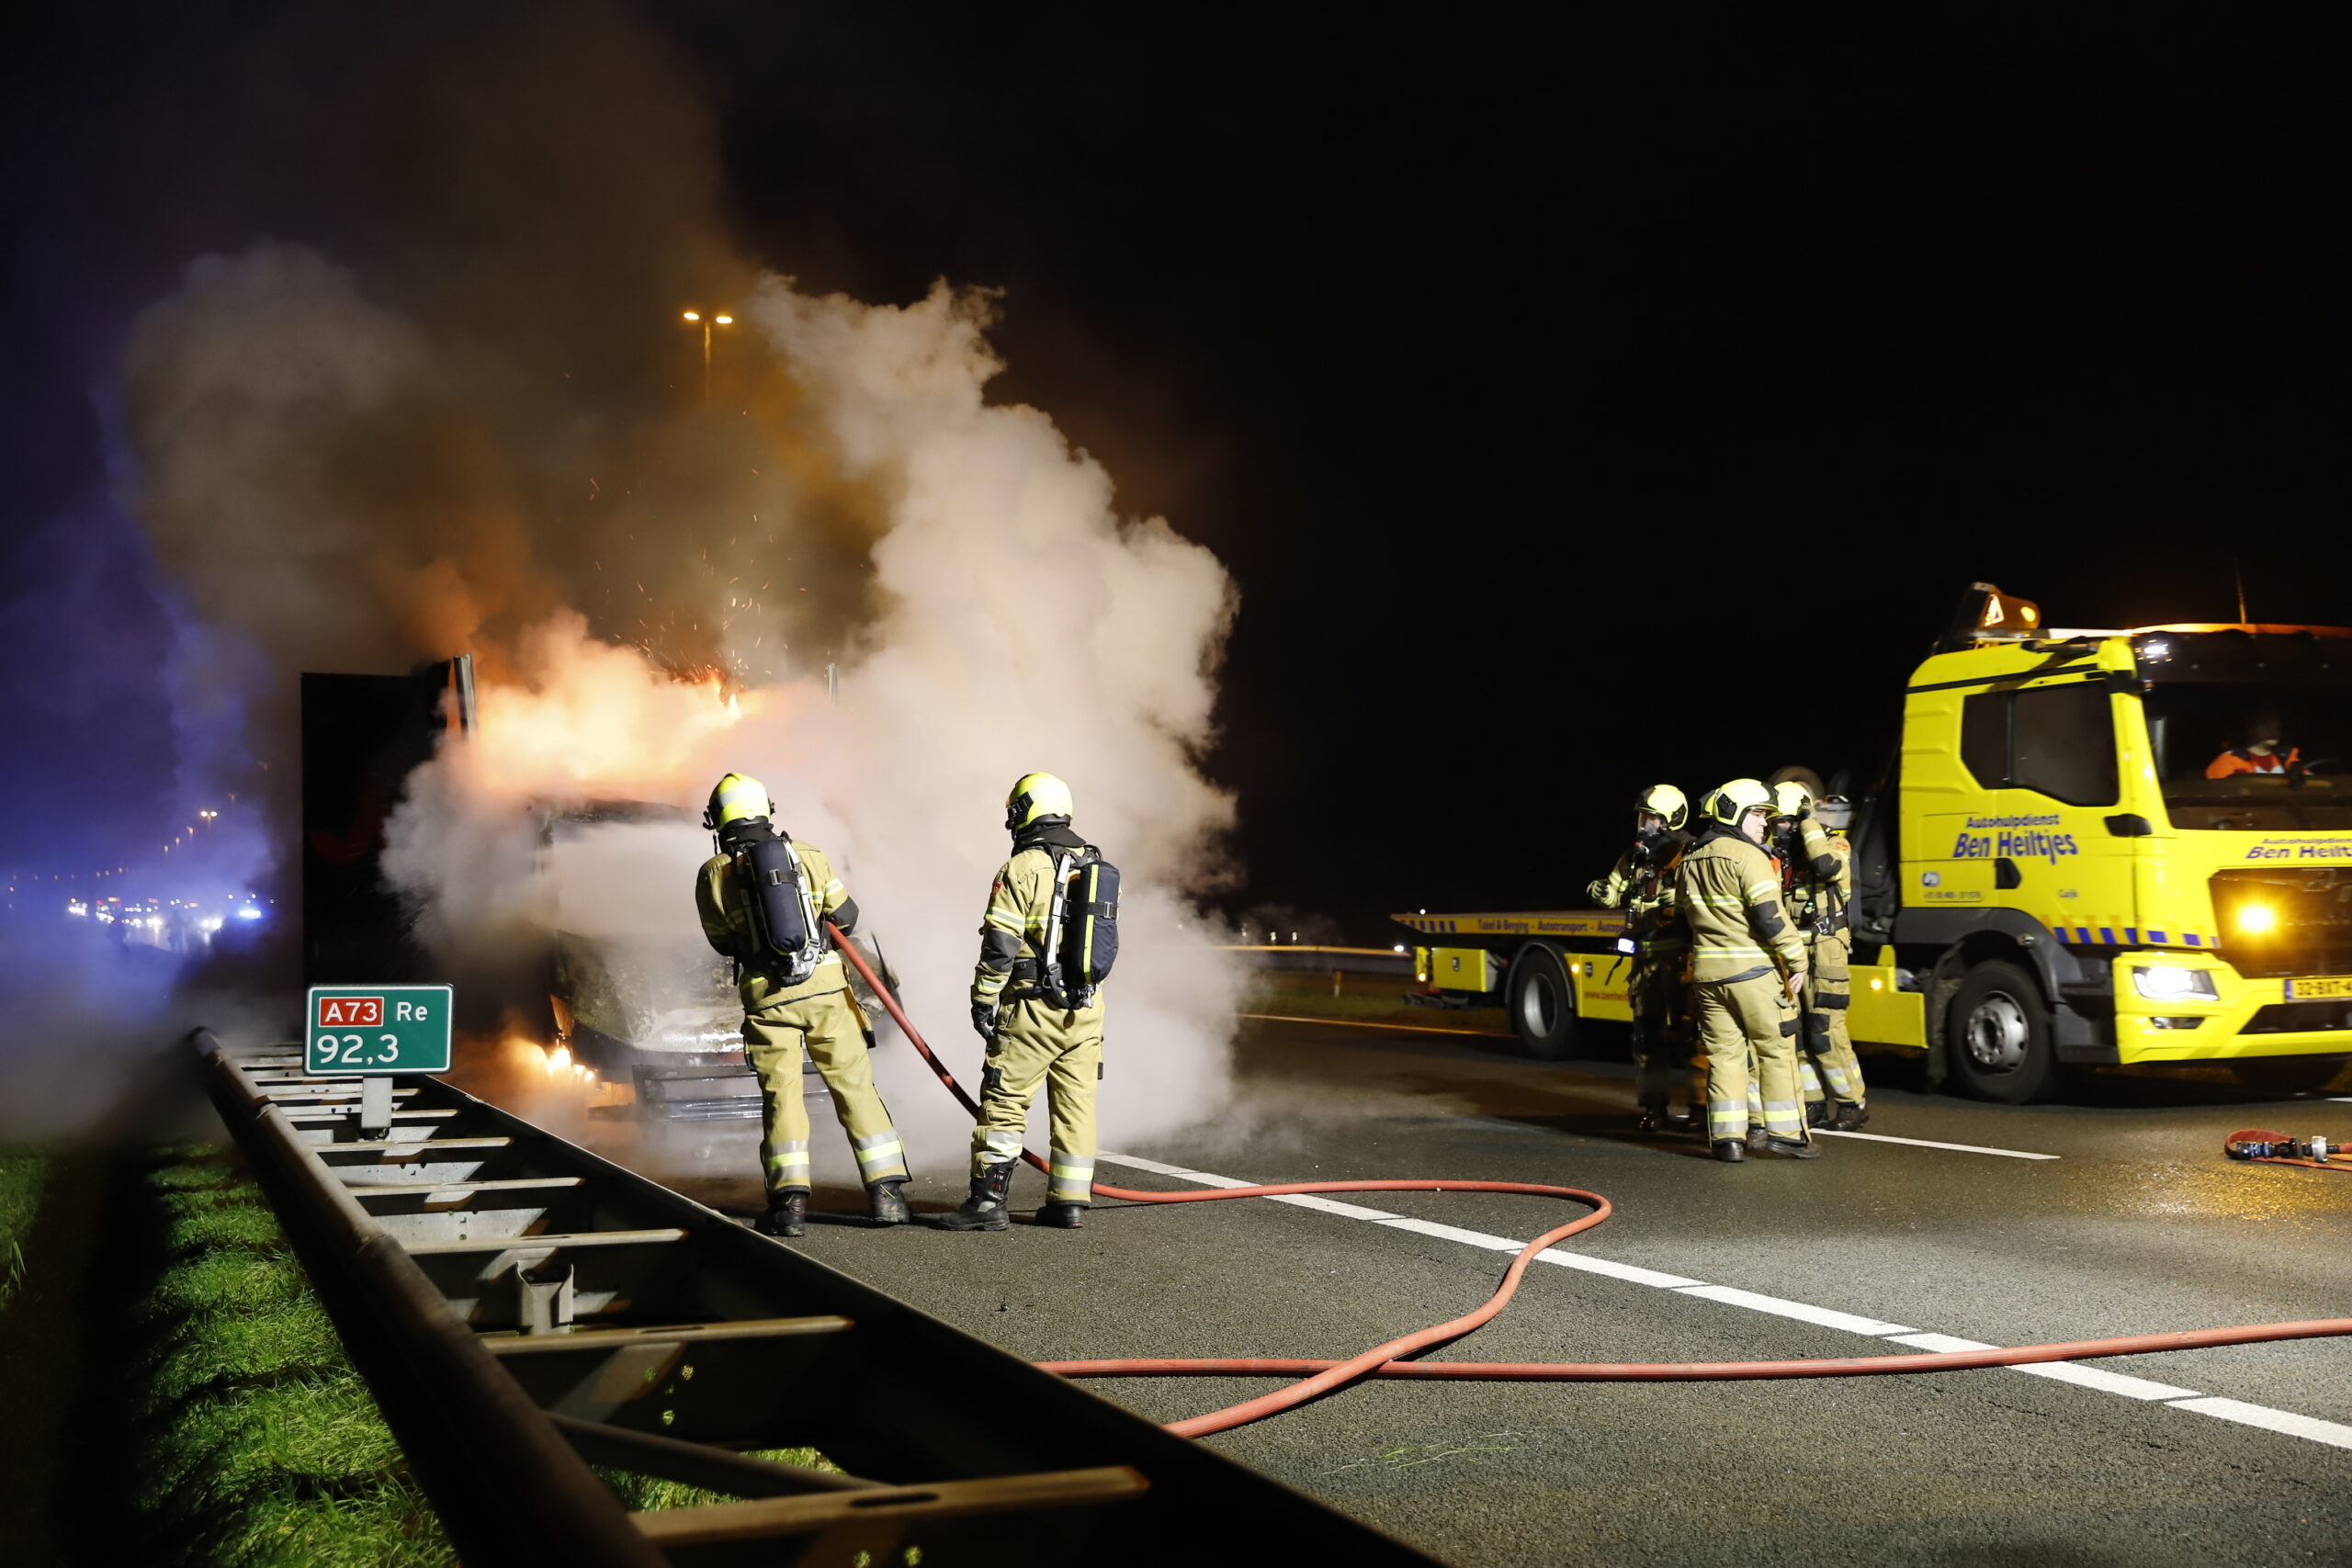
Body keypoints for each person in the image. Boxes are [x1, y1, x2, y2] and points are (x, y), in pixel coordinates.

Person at [695, 772, 910, 1237]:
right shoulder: (808, 855)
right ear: (766, 811)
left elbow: (722, 942)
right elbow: (847, 918)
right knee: (854, 1088)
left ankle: (789, 1205)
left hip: (768, 1002)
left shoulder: (713, 874)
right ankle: (887, 1196)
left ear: (719, 818)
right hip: (827, 994)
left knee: (782, 1097)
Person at [940, 773, 1108, 1233]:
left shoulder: (1023, 867)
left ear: (1026, 812)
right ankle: (1069, 1202)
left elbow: (1000, 944)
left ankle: (987, 1202)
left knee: (1005, 1099)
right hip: (1087, 1009)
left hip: (1033, 1007)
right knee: (1077, 1105)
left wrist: (983, 997)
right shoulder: (1093, 863)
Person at [1676, 777, 1815, 1163]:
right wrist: (1797, 958)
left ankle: (1728, 1141)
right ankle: (1788, 1136)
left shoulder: (1688, 860)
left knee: (1725, 1057)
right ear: (1732, 813)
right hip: (1753, 974)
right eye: (1756, 814)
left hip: (1707, 976)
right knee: (1776, 1051)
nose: (1763, 823)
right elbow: (1770, 916)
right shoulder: (1747, 856)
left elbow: (1681, 919)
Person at [1588, 784, 1694, 1132]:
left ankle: (1704, 1109)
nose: (1643, 824)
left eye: (1651, 817)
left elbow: (1693, 904)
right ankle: (1654, 1107)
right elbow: (1615, 891)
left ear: (1670, 820)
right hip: (1644, 961)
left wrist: (1665, 909)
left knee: (1690, 1035)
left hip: (1677, 960)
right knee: (1647, 1037)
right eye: (1642, 816)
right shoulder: (1634, 855)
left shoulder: (1685, 854)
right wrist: (1600, 891)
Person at [1770, 782, 1867, 1131]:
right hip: (1795, 953)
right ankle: (1811, 1104)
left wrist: (1809, 821)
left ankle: (1851, 1103)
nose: (1775, 828)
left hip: (1827, 950)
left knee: (1826, 1032)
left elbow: (1826, 867)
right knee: (1796, 1033)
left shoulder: (1833, 843)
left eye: (1781, 821)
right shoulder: (1782, 858)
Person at [2207, 713, 2300, 779]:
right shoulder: (2229, 760)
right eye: (2266, 724)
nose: (2274, 729)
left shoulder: (2288, 758)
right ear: (2250, 729)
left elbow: (2309, 786)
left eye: (2277, 725)